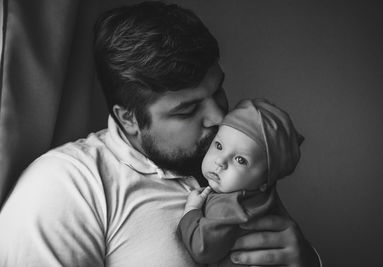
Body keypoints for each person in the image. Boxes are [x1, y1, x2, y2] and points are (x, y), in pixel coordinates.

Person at [0, 1, 321, 266]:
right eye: (187, 110)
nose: (219, 116)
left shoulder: (231, 157)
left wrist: (308, 260)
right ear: (128, 119)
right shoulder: (65, 190)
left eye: (218, 89)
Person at [178, 98, 304, 266]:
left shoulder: (230, 206)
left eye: (240, 160)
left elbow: (202, 249)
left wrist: (191, 211)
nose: (220, 161)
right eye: (219, 146)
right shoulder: (261, 198)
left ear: (264, 181)